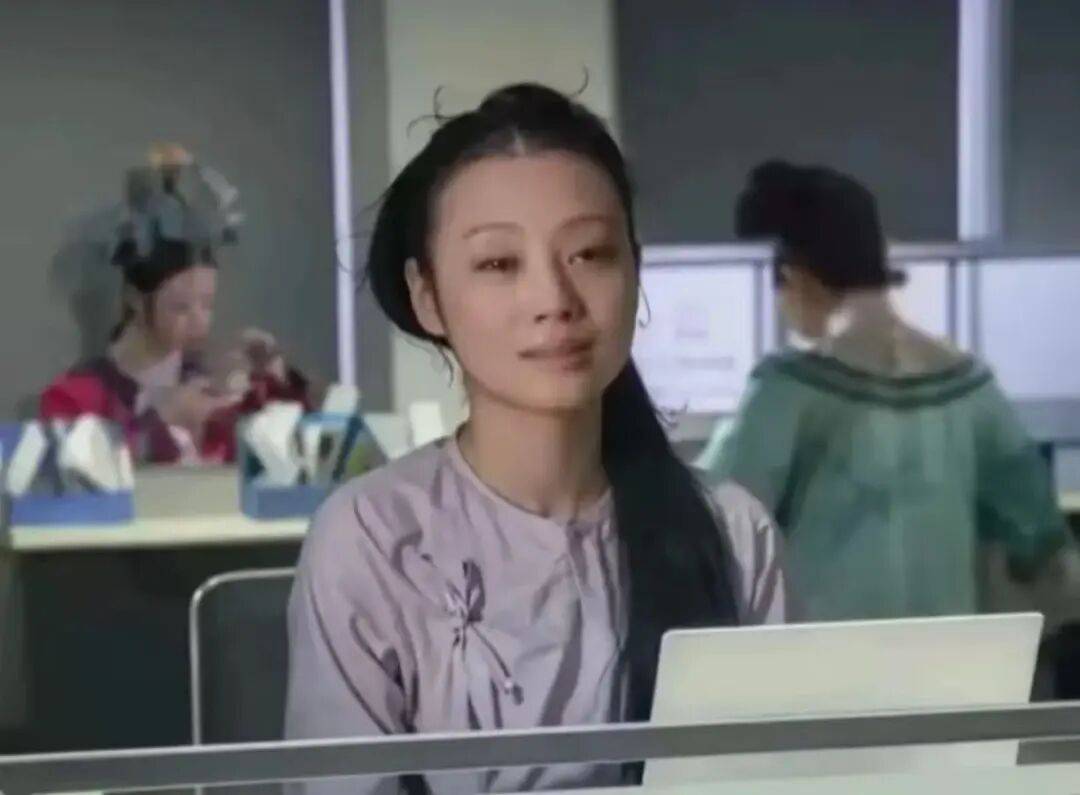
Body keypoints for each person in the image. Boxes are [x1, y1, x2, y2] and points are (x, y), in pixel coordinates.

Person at [284, 84, 786, 794]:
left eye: (589, 253)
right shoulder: (371, 538)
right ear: (428, 297)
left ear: (635, 267)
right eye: (499, 263)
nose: (554, 300)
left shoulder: (734, 533)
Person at [700, 160, 1068, 622]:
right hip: (953, 661)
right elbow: (1038, 537)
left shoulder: (789, 391)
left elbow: (711, 525)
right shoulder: (969, 387)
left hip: (829, 661)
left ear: (794, 278)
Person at [40, 147, 307, 464]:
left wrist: (275, 380)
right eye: (181, 307)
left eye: (208, 304)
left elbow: (294, 458)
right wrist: (163, 423)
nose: (200, 321)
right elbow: (80, 477)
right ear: (135, 300)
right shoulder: (77, 397)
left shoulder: (213, 384)